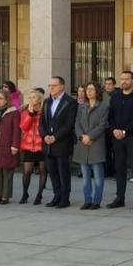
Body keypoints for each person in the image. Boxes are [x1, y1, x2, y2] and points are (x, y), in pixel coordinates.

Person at [107, 70, 133, 209]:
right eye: (122, 79)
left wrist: (125, 131)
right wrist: (114, 130)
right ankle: (120, 198)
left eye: (127, 79)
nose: (124, 81)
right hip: (117, 138)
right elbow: (110, 116)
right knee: (119, 169)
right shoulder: (115, 97)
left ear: (132, 81)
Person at [41, 76, 78, 208]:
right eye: (49, 85)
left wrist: (55, 137)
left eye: (54, 85)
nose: (51, 88)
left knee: (63, 172)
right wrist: (44, 135)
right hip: (47, 144)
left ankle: (64, 198)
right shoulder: (46, 102)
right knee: (52, 171)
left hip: (62, 143)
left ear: (62, 86)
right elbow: (42, 123)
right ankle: (56, 196)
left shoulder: (70, 102)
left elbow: (69, 124)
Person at [74, 82, 109, 209]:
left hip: (96, 143)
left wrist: (90, 136)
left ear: (97, 91)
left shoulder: (104, 106)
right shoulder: (81, 106)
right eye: (87, 89)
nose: (88, 92)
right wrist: (82, 136)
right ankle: (87, 200)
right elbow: (77, 123)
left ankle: (96, 201)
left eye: (91, 89)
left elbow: (102, 125)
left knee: (98, 176)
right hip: (83, 143)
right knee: (85, 176)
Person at [0, 90, 21, 204]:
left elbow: (17, 130)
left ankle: (5, 196)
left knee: (7, 171)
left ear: (7, 99)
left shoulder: (13, 112)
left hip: (7, 145)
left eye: (1, 98)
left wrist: (15, 145)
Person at [18, 89, 47, 205]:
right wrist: (30, 114)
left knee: (43, 170)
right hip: (28, 145)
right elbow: (24, 127)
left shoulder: (44, 111)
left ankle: (39, 194)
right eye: (30, 97)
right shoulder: (25, 111)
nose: (31, 99)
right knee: (27, 171)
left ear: (39, 99)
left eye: (34, 97)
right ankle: (25, 193)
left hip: (41, 145)